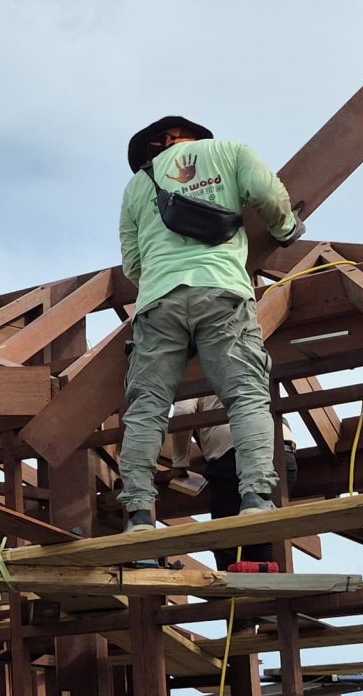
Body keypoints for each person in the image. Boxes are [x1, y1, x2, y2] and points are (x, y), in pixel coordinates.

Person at [116, 116, 303, 538]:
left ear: (153, 148)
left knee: (147, 408)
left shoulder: (137, 186)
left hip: (158, 302)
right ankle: (256, 498)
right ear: (192, 136)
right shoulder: (229, 151)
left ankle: (140, 516)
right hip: (221, 289)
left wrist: (163, 277)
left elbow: (132, 264)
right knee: (246, 395)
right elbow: (267, 194)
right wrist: (286, 228)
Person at [179, 394, 278, 570]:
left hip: (233, 453)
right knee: (261, 534)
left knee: (226, 538)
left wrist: (179, 462)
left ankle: (236, 583)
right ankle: (266, 581)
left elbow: (183, 412)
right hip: (281, 451)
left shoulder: (194, 380)